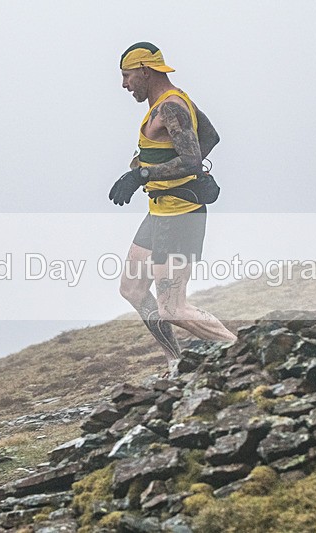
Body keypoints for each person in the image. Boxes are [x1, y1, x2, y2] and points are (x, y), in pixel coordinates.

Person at [109, 42, 237, 376]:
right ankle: (175, 361)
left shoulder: (173, 107)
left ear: (145, 71)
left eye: (127, 76)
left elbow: (192, 157)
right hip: (160, 211)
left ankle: (243, 352)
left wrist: (144, 175)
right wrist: (158, 168)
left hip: (180, 215)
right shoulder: (166, 104)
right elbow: (209, 135)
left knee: (173, 308)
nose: (124, 84)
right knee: (132, 289)